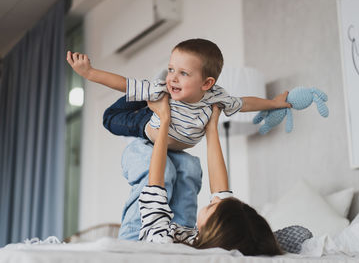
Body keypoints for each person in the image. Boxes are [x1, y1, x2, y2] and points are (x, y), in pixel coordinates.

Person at [66, 38, 291, 151]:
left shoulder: (215, 97)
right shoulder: (165, 88)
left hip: (159, 115)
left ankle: (144, 96)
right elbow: (123, 83)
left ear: (207, 83)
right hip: (144, 124)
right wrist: (90, 73)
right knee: (110, 118)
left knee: (151, 91)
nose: (173, 77)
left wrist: (273, 103)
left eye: (183, 73)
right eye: (171, 69)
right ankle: (142, 96)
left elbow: (245, 103)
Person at [140, 94, 283, 256]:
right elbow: (221, 193)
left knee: (147, 156)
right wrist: (211, 127)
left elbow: (155, 190)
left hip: (144, 227)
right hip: (184, 231)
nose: (216, 199)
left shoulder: (161, 242)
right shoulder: (228, 241)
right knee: (189, 165)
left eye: (213, 206)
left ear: (213, 231)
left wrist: (164, 119)